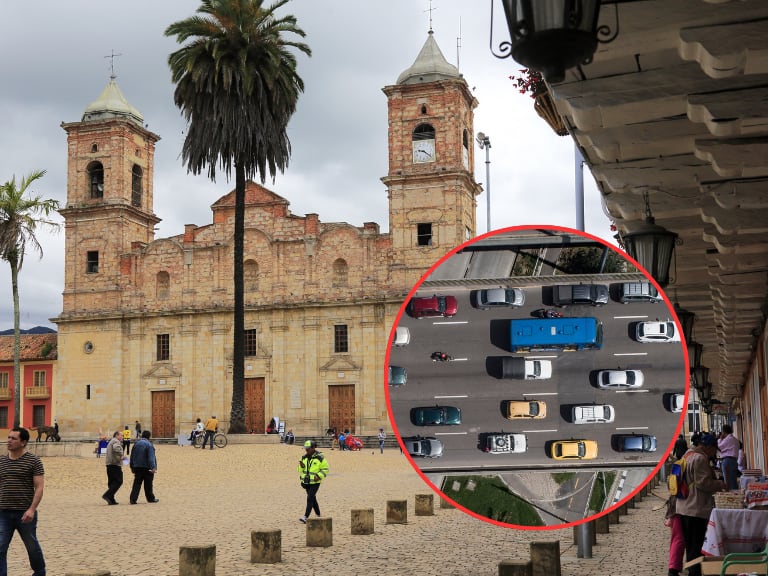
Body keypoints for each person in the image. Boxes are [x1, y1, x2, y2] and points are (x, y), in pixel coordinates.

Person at [675, 432, 725, 576]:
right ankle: (695, 572)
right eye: (714, 449)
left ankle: (692, 570)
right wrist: (720, 484)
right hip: (695, 508)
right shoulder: (700, 459)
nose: (715, 453)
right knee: (696, 546)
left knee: (690, 545)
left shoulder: (688, 454)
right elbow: (704, 483)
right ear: (708, 447)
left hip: (684, 507)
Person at [0, 427, 46, 576]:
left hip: (24, 512)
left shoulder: (34, 461)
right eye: (8, 437)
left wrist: (32, 509)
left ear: (23, 442)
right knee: (0, 547)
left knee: (31, 546)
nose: (9, 441)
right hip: (3, 512)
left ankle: (39, 572)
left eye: (13, 438)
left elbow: (39, 487)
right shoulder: (2, 460)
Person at [297, 440, 329, 523]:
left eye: (308, 449)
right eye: (305, 449)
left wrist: (318, 476)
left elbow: (325, 469)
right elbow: (299, 470)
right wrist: (301, 466)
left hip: (315, 482)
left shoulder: (320, 457)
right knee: (313, 498)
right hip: (306, 482)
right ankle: (318, 514)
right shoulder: (304, 457)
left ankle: (305, 517)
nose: (306, 450)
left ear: (313, 448)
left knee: (310, 498)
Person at [129, 430, 159, 504]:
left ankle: (133, 499)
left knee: (136, 483)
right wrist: (153, 467)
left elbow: (132, 456)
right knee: (148, 484)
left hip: (137, 466)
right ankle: (150, 498)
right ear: (149, 437)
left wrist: (132, 466)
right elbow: (151, 457)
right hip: (146, 467)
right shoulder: (149, 445)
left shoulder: (136, 444)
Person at [101, 430, 123, 505]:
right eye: (121, 435)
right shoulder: (116, 441)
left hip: (109, 464)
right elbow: (116, 449)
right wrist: (120, 457)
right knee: (119, 481)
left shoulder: (111, 441)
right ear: (117, 435)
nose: (122, 437)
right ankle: (107, 495)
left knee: (112, 483)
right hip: (114, 464)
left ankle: (111, 499)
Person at [664, 495, 685, 576]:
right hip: (682, 504)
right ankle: (674, 568)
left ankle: (674, 567)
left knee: (678, 539)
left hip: (677, 504)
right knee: (678, 539)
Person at [717, 424, 740, 490]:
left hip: (727, 461)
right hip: (734, 460)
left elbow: (719, 446)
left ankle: (731, 497)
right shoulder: (735, 440)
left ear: (724, 432)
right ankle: (734, 494)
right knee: (733, 480)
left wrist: (720, 439)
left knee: (728, 482)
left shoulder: (727, 439)